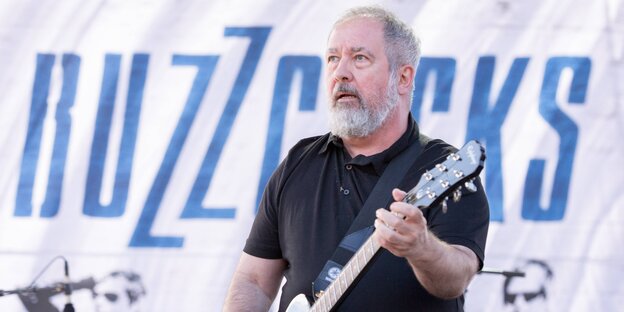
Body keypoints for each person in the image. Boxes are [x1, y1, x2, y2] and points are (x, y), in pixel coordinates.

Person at [224, 5, 489, 311]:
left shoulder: (443, 169)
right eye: (333, 58)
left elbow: (455, 279)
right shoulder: (299, 163)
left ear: (403, 77)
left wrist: (421, 247)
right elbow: (254, 280)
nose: (341, 72)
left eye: (360, 58)